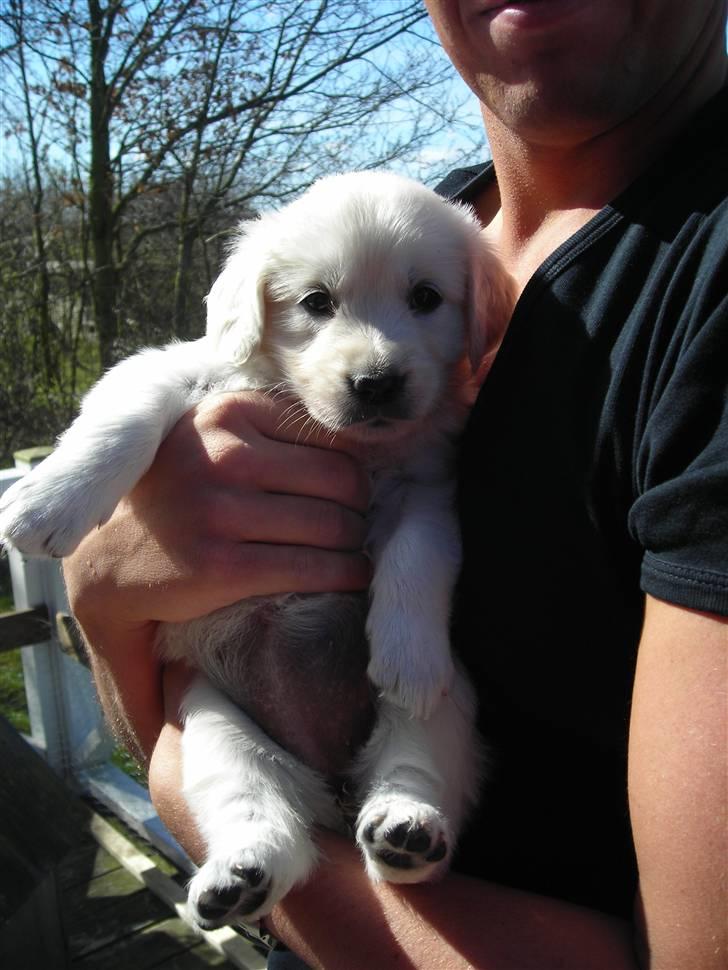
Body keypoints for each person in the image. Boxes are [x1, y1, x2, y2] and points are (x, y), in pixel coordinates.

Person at [63, 1, 728, 967]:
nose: (375, 355)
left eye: (423, 306)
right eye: (323, 305)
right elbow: (140, 657)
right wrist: (107, 591)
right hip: (263, 777)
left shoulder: (694, 280)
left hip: (379, 859)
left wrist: (174, 785)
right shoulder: (432, 219)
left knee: (426, 721)